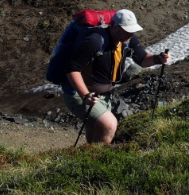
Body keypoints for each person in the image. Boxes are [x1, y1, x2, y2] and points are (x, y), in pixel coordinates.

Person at [62, 9, 170, 144]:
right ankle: (97, 160)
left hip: (104, 95)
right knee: (109, 124)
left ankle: (89, 159)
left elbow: (142, 59)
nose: (131, 33)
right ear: (114, 27)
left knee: (97, 128)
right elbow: (72, 70)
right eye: (127, 30)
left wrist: (158, 59)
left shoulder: (128, 39)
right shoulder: (95, 41)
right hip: (79, 94)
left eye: (132, 30)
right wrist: (85, 95)